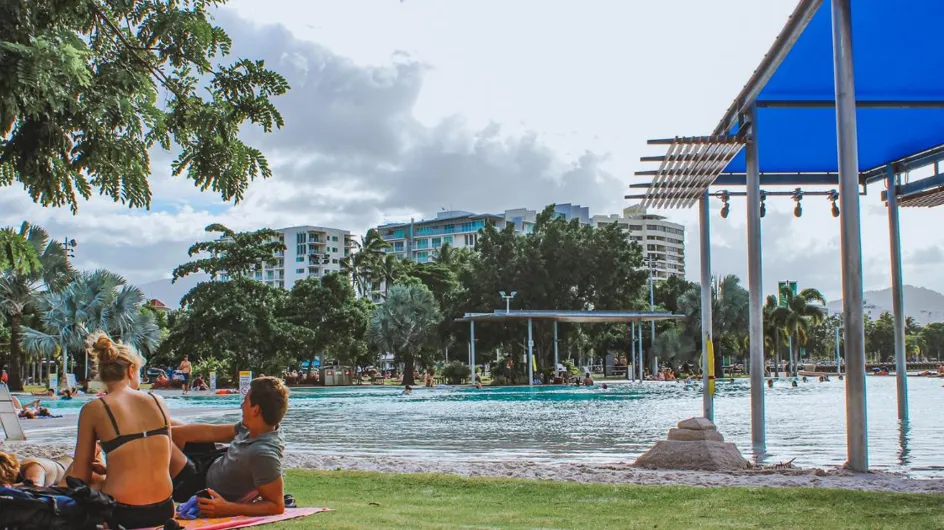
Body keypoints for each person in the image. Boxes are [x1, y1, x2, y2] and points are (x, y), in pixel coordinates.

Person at [65, 332, 174, 529]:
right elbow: (163, 461)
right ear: (131, 370)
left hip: (123, 513)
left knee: (89, 485)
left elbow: (79, 476)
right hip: (165, 509)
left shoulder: (94, 409)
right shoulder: (159, 402)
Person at [170, 377, 288, 517]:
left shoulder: (263, 454)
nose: (242, 405)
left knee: (158, 438)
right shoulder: (254, 427)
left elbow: (276, 505)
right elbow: (212, 432)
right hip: (212, 461)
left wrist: (229, 508)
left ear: (255, 410)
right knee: (161, 420)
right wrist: (168, 430)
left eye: (245, 401)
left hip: (198, 485)